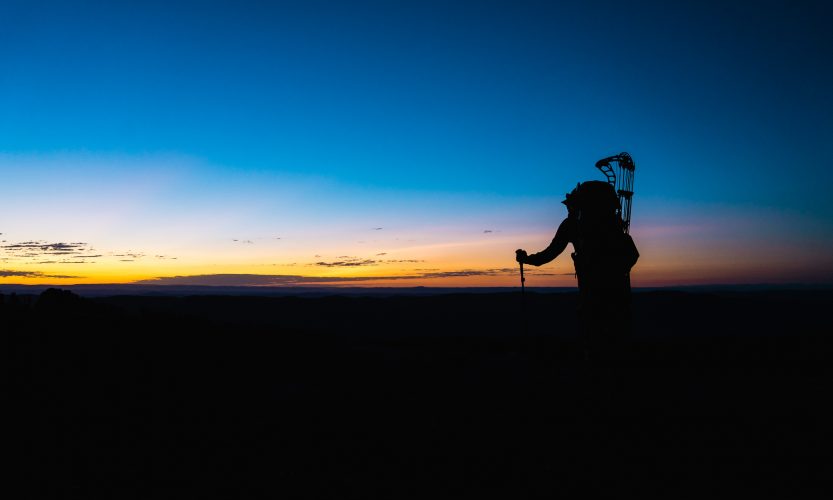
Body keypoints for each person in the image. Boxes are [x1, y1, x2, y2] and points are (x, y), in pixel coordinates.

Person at [516, 181, 639, 359]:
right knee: (615, 339)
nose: (568, 209)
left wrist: (526, 259)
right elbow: (632, 255)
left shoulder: (572, 226)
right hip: (618, 293)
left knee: (594, 336)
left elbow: (549, 254)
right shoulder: (611, 226)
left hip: (592, 294)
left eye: (571, 205)